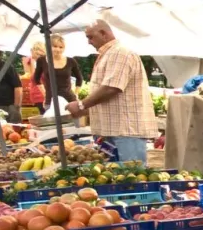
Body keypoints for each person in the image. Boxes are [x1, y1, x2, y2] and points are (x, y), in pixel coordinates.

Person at [67, 20, 158, 163]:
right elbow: (109, 95)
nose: (89, 42)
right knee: (118, 179)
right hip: (114, 132)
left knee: (130, 179)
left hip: (125, 133)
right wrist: (86, 110)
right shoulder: (109, 54)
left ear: (103, 34)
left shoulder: (119, 53)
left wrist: (81, 105)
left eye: (90, 37)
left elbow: (112, 88)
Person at [30, 34, 83, 112]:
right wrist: (44, 93)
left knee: (72, 123)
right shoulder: (41, 60)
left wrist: (76, 93)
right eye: (55, 46)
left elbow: (79, 78)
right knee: (52, 123)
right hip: (50, 100)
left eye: (61, 47)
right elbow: (36, 79)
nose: (58, 49)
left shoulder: (71, 61)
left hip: (69, 99)